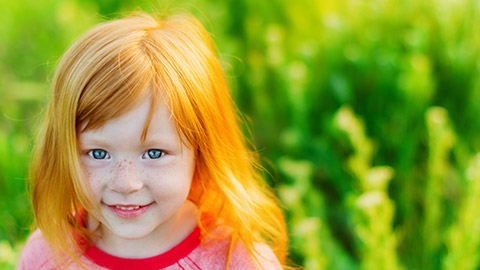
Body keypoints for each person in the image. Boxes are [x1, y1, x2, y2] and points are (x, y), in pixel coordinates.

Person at [17, 11, 288, 270]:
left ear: (201, 150)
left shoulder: (239, 262)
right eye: (98, 154)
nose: (126, 184)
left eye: (155, 153)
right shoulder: (46, 255)